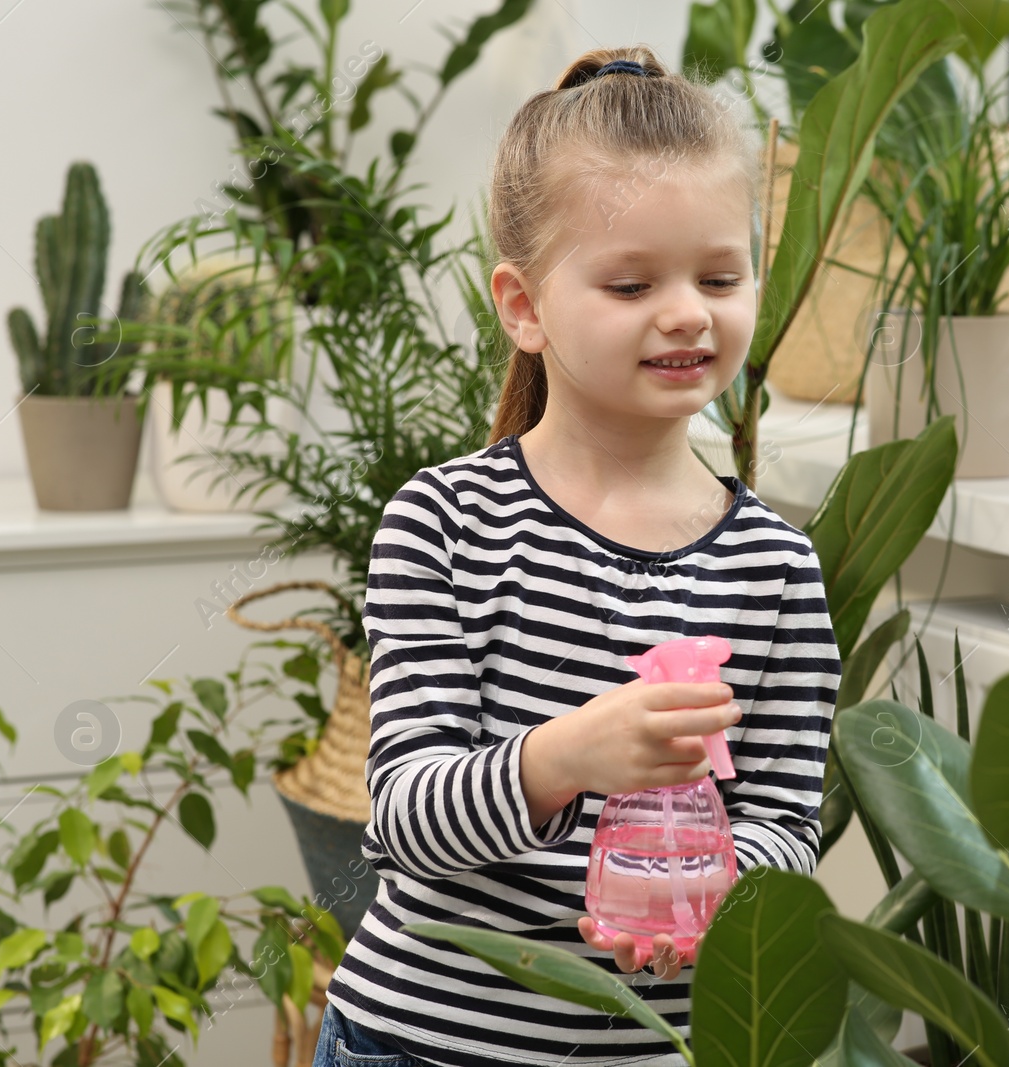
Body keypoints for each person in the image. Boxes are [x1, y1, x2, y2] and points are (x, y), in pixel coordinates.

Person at [315, 44, 842, 1067]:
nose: (688, 309)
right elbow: (407, 814)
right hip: (421, 1043)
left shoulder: (776, 568)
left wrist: (703, 884)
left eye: (720, 275)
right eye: (633, 280)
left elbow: (785, 828)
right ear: (523, 306)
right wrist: (569, 755)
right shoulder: (447, 522)